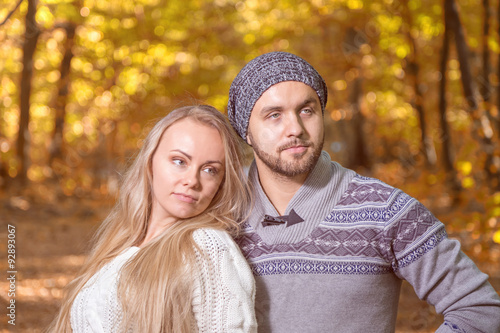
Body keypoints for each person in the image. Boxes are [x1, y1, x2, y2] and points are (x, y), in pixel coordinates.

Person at [227, 52, 500, 333]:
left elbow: (479, 309)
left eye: (307, 110)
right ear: (246, 131)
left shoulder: (385, 209)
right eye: (274, 115)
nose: (295, 128)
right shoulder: (221, 215)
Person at [48, 105, 257, 332]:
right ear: (150, 161)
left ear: (221, 183)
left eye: (210, 170)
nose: (192, 181)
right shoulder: (120, 241)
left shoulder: (208, 246)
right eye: (179, 161)